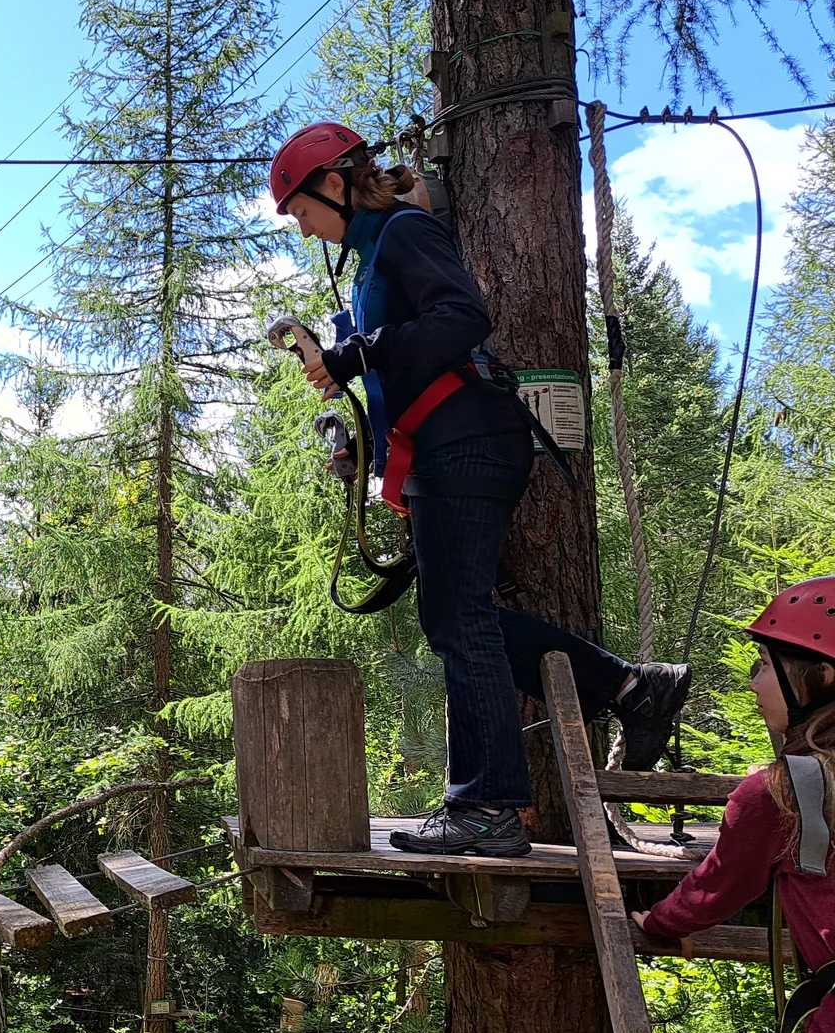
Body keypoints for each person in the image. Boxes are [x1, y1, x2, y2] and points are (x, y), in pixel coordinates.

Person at [269, 121, 690, 858]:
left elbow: (464, 316)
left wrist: (358, 352)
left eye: (302, 212)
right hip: (446, 448)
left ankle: (489, 805)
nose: (305, 230)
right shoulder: (375, 255)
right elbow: (403, 355)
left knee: (458, 621)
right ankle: (629, 688)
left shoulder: (401, 231)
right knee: (456, 622)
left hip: (467, 444)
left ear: (333, 185)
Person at [631, 577, 835, 1033]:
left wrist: (652, 920)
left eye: (765, 666)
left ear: (818, 678)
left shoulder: (782, 794)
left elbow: (711, 893)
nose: (753, 685)